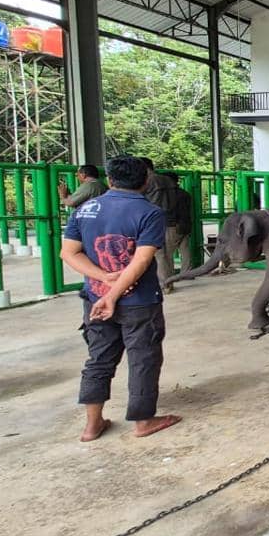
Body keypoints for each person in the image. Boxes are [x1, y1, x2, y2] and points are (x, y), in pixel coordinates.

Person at [60, 155, 181, 442]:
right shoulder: (150, 213)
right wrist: (114, 293)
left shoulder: (85, 209)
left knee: (98, 358)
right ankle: (143, 421)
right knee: (143, 358)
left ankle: (92, 425)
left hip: (95, 298)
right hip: (139, 301)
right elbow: (140, 263)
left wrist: (102, 280)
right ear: (147, 180)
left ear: (110, 180)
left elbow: (69, 253)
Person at [140, 158, 184, 291]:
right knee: (166, 255)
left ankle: (164, 284)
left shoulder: (147, 182)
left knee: (159, 255)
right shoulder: (169, 181)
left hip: (154, 223)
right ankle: (169, 282)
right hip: (172, 222)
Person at [162, 173, 194, 291]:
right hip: (185, 225)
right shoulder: (185, 194)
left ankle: (169, 277)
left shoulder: (168, 195)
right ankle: (187, 273)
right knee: (185, 251)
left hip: (172, 225)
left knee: (167, 254)